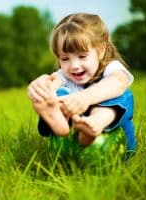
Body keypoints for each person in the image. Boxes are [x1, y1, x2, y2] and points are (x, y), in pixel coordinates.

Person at [27, 13, 137, 157]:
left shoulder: (111, 68)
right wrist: (40, 88)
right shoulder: (64, 74)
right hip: (74, 150)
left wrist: (86, 98)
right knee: (59, 94)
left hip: (119, 150)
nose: (74, 66)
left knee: (122, 93)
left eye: (82, 56)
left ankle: (96, 122)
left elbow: (119, 81)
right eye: (65, 58)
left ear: (101, 50)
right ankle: (61, 123)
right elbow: (52, 82)